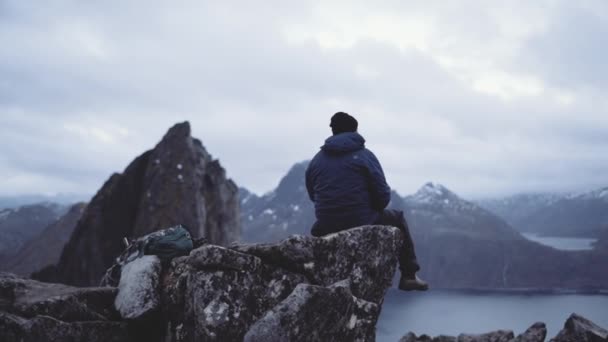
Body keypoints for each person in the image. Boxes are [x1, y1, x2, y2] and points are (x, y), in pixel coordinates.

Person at [305, 112, 428, 291]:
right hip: (361, 219)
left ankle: (320, 278)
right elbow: (383, 197)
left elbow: (313, 196)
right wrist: (369, 209)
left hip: (327, 226)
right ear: (355, 130)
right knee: (398, 219)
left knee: (316, 231)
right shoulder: (364, 156)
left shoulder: (316, 161)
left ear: (332, 131)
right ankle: (409, 276)